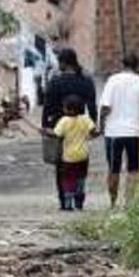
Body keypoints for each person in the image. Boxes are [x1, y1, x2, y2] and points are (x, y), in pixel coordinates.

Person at [42, 48, 97, 205]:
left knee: (62, 166)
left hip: (60, 128)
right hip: (81, 127)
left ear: (64, 63)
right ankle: (79, 195)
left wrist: (45, 126)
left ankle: (64, 198)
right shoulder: (86, 81)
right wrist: (93, 125)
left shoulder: (55, 82)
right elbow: (92, 106)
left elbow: (47, 107)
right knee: (81, 164)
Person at [99, 53, 139, 208]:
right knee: (133, 169)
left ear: (123, 64)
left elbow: (105, 107)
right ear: (137, 65)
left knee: (114, 169)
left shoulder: (113, 80)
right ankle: (129, 202)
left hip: (114, 133)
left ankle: (113, 202)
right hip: (135, 132)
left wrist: (101, 125)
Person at [45, 95, 98, 211]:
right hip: (83, 156)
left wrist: (46, 132)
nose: (64, 109)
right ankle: (79, 203)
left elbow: (56, 135)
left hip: (68, 158)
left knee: (68, 180)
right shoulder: (85, 119)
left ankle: (68, 204)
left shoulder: (64, 121)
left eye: (65, 107)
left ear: (69, 109)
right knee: (81, 179)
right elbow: (93, 131)